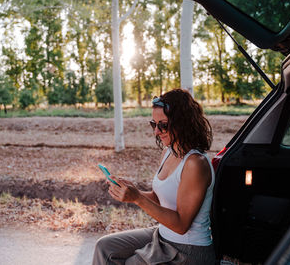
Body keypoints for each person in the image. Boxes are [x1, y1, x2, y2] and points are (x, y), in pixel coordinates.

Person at [92, 88, 216, 265]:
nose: (156, 132)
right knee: (104, 247)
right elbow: (159, 198)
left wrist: (137, 199)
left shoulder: (195, 163)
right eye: (154, 124)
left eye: (163, 125)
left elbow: (181, 225)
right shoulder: (168, 152)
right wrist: (132, 192)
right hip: (163, 236)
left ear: (182, 123)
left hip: (188, 250)